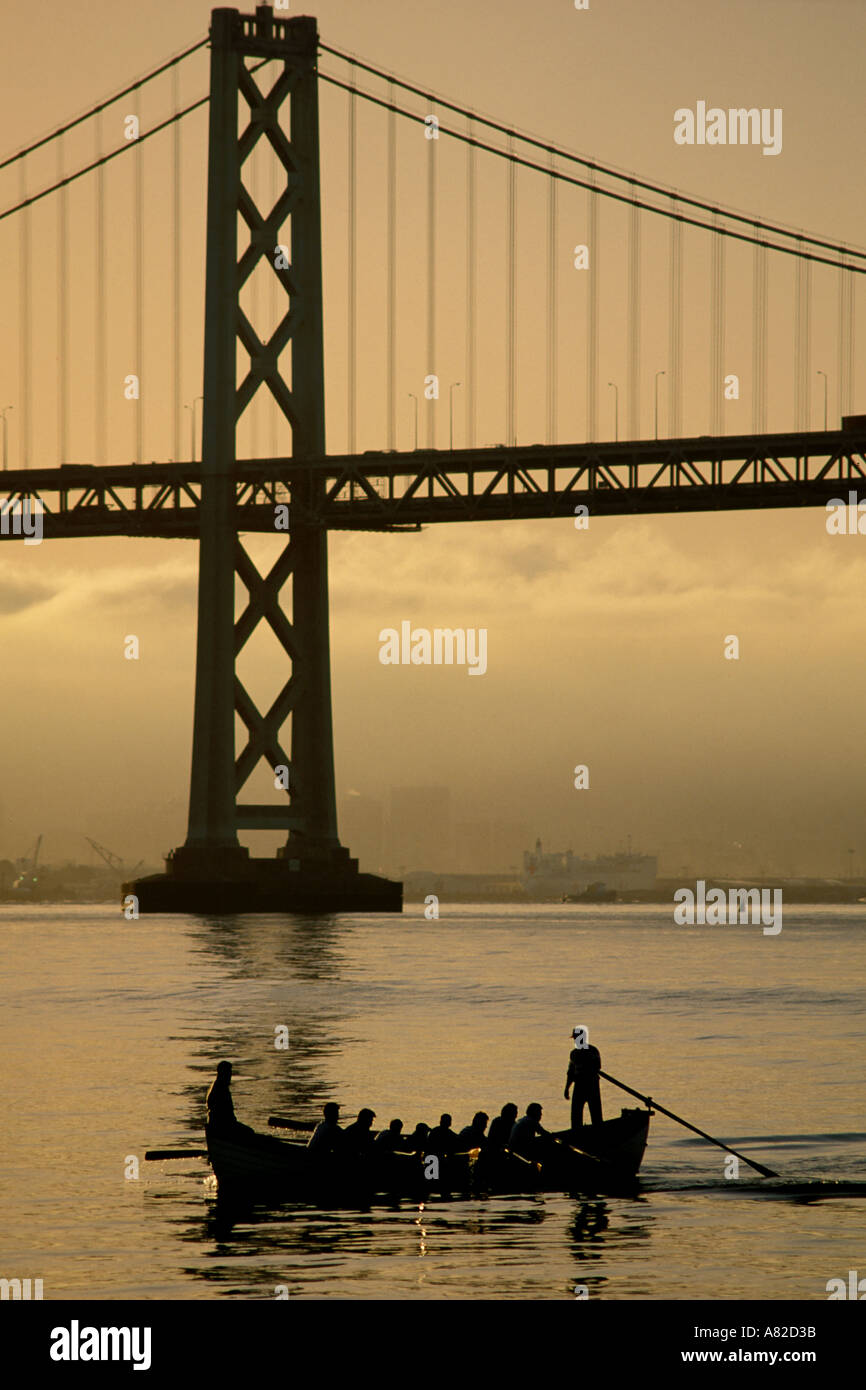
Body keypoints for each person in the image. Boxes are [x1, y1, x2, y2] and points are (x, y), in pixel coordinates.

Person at [205, 1061, 256, 1140]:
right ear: (222, 1074)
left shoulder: (219, 1087)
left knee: (248, 1132)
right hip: (222, 1126)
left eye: (230, 1074)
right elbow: (223, 1114)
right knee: (249, 1132)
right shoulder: (220, 1089)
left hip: (222, 1124)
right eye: (228, 1074)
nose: (230, 1076)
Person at [564, 1029, 603, 1128]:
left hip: (591, 1085)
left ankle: (598, 1131)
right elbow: (570, 1073)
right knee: (576, 1115)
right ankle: (577, 1132)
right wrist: (567, 1088)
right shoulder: (574, 1053)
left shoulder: (592, 1051)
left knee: (595, 1113)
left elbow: (597, 1066)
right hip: (580, 1085)